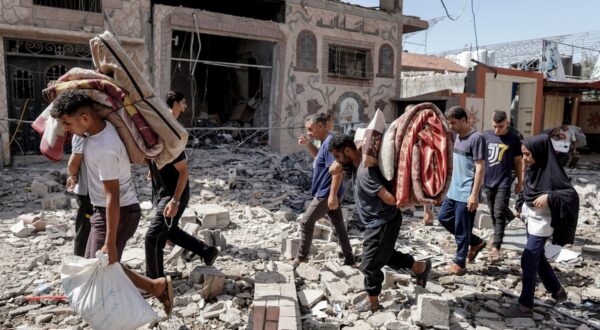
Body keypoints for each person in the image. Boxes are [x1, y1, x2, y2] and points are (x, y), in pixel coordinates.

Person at [50, 90, 173, 315]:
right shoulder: (92, 134)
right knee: (95, 266)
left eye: (67, 123)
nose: (65, 129)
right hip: (102, 211)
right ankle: (154, 286)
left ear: (85, 118)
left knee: (100, 267)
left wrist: (109, 242)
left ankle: (129, 309)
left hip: (120, 212)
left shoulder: (105, 147)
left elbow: (112, 197)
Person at [329, 134, 431, 312]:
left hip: (383, 221)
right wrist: (348, 155)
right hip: (377, 221)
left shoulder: (365, 172)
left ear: (347, 150)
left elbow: (390, 199)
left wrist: (404, 199)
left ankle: (373, 301)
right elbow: (332, 170)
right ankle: (420, 267)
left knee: (368, 265)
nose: (337, 161)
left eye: (337, 156)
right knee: (385, 255)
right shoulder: (354, 164)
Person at [145, 92, 218, 279]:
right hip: (164, 190)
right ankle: (207, 251)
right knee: (170, 231)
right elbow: (151, 156)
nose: (185, 106)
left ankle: (155, 280)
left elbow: (184, 171)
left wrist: (175, 201)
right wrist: (152, 169)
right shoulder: (161, 131)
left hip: (173, 193)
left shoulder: (171, 135)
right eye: (184, 102)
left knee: (154, 237)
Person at [504, 134, 578, 317]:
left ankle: (525, 305)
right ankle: (557, 291)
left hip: (543, 224)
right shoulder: (533, 168)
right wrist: (520, 204)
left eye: (528, 154)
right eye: (523, 154)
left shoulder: (553, 173)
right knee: (538, 258)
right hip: (531, 220)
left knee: (528, 259)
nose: (525, 159)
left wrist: (550, 197)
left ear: (540, 152)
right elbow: (526, 189)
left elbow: (571, 196)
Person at [294, 113, 356, 268]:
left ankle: (301, 258)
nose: (309, 132)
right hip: (327, 192)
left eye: (310, 129)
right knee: (339, 227)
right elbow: (319, 158)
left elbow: (338, 170)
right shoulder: (325, 142)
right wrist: (308, 144)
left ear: (320, 126)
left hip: (326, 193)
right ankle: (350, 259)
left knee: (306, 222)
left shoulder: (330, 143)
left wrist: (332, 196)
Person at [437, 106, 486, 275]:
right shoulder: (456, 136)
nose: (451, 126)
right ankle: (476, 242)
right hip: (453, 190)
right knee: (443, 218)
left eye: (454, 123)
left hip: (466, 192)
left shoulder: (476, 138)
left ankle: (460, 264)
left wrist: (474, 195)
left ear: (464, 120)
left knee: (462, 228)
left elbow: (480, 168)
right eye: (449, 123)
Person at [482, 111, 523, 263]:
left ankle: (496, 247)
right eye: (494, 126)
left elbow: (518, 161)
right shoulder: (485, 136)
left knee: (499, 214)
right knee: (493, 211)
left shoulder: (513, 138)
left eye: (500, 126)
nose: (497, 130)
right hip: (488, 181)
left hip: (504, 181)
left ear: (507, 123)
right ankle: (510, 217)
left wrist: (520, 181)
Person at [66, 134, 93, 257]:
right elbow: (74, 162)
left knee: (87, 229)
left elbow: (74, 162)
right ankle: (80, 261)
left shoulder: (81, 132)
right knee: (85, 229)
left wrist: (72, 175)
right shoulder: (82, 133)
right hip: (88, 192)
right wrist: (73, 175)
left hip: (89, 192)